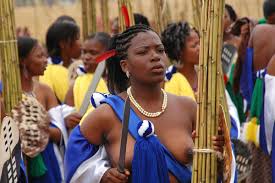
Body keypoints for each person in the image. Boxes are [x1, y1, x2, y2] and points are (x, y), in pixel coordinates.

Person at [65, 24, 224, 183]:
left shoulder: (189, 107)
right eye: (143, 52)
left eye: (160, 50)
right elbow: (76, 165)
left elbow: (216, 170)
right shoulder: (107, 113)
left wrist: (214, 154)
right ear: (125, 65)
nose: (155, 56)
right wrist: (101, 175)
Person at [17, 36, 67, 183]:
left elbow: (59, 134)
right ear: (22, 60)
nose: (46, 60)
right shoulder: (3, 93)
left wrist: (35, 128)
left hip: (47, 160)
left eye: (45, 55)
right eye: (39, 56)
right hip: (14, 161)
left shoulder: (45, 91)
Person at [64, 32, 110, 130]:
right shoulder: (77, 82)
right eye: (84, 52)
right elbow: (66, 110)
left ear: (108, 54)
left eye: (93, 53)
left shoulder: (114, 82)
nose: (86, 57)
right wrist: (68, 118)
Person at [39, 21, 81, 103]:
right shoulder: (47, 71)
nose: (80, 44)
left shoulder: (81, 65)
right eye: (77, 39)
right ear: (63, 44)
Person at [161, 21, 199, 99]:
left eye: (200, 43)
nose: (200, 48)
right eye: (194, 46)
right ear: (180, 51)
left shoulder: (207, 72)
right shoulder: (171, 80)